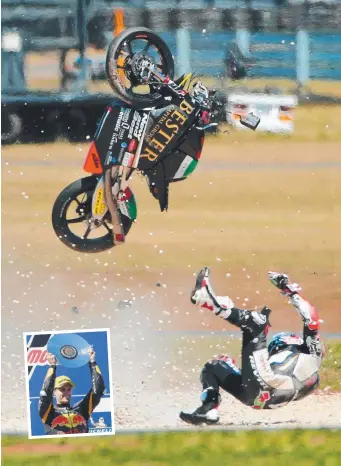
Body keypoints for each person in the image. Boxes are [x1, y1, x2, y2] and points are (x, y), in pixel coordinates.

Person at [180, 267, 325, 425]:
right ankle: (208, 409)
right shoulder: (309, 376)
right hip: (256, 398)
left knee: (257, 321)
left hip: (262, 387)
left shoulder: (310, 355)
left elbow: (311, 318)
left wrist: (288, 289)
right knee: (215, 366)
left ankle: (208, 301)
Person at [38, 347, 105, 434]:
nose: (66, 392)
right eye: (62, 389)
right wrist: (52, 367)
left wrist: (92, 362)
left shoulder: (82, 409)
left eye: (69, 389)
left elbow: (99, 389)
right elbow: (45, 394)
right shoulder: (47, 412)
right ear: (54, 391)